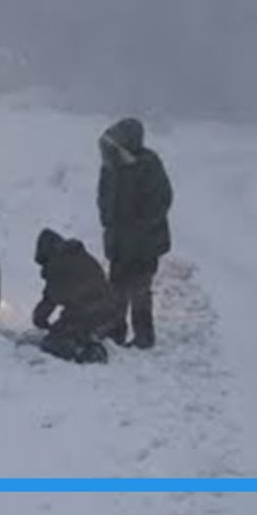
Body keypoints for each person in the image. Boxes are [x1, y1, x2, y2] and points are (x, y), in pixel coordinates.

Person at [97, 117, 173, 350]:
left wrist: (141, 226)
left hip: (144, 242)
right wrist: (108, 220)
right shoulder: (110, 167)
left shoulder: (149, 164)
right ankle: (114, 331)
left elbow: (162, 200)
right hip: (119, 240)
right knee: (116, 287)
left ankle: (144, 335)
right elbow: (103, 197)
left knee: (140, 289)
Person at [31, 228, 123, 364]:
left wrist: (40, 320)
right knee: (75, 328)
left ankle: (84, 352)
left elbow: (50, 300)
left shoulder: (57, 265)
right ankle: (90, 340)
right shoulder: (81, 256)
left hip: (86, 313)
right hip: (110, 312)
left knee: (52, 342)